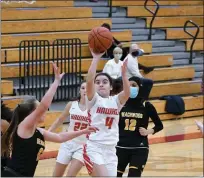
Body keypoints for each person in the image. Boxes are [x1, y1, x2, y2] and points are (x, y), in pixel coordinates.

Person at [1, 62, 98, 177]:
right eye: (39, 110)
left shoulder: (38, 131)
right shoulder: (24, 127)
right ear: (32, 113)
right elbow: (44, 105)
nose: (44, 112)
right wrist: (56, 82)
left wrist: (84, 131)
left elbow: (60, 137)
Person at [83, 49, 130, 176]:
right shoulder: (93, 99)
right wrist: (95, 58)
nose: (101, 84)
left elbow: (127, 93)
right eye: (97, 83)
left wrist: (124, 75)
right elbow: (89, 81)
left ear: (111, 86)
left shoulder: (115, 101)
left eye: (105, 82)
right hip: (94, 147)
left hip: (111, 148)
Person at [116, 76, 163, 177]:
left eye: (134, 85)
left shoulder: (146, 105)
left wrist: (148, 131)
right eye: (129, 85)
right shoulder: (120, 104)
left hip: (139, 148)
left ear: (139, 87)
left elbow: (159, 125)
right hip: (120, 147)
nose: (131, 87)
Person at [48, 81, 89, 177]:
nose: (85, 90)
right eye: (83, 88)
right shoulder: (72, 104)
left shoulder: (95, 108)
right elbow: (60, 119)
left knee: (70, 176)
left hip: (83, 146)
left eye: (88, 88)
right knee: (56, 175)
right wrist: (48, 132)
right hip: (67, 143)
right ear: (79, 91)